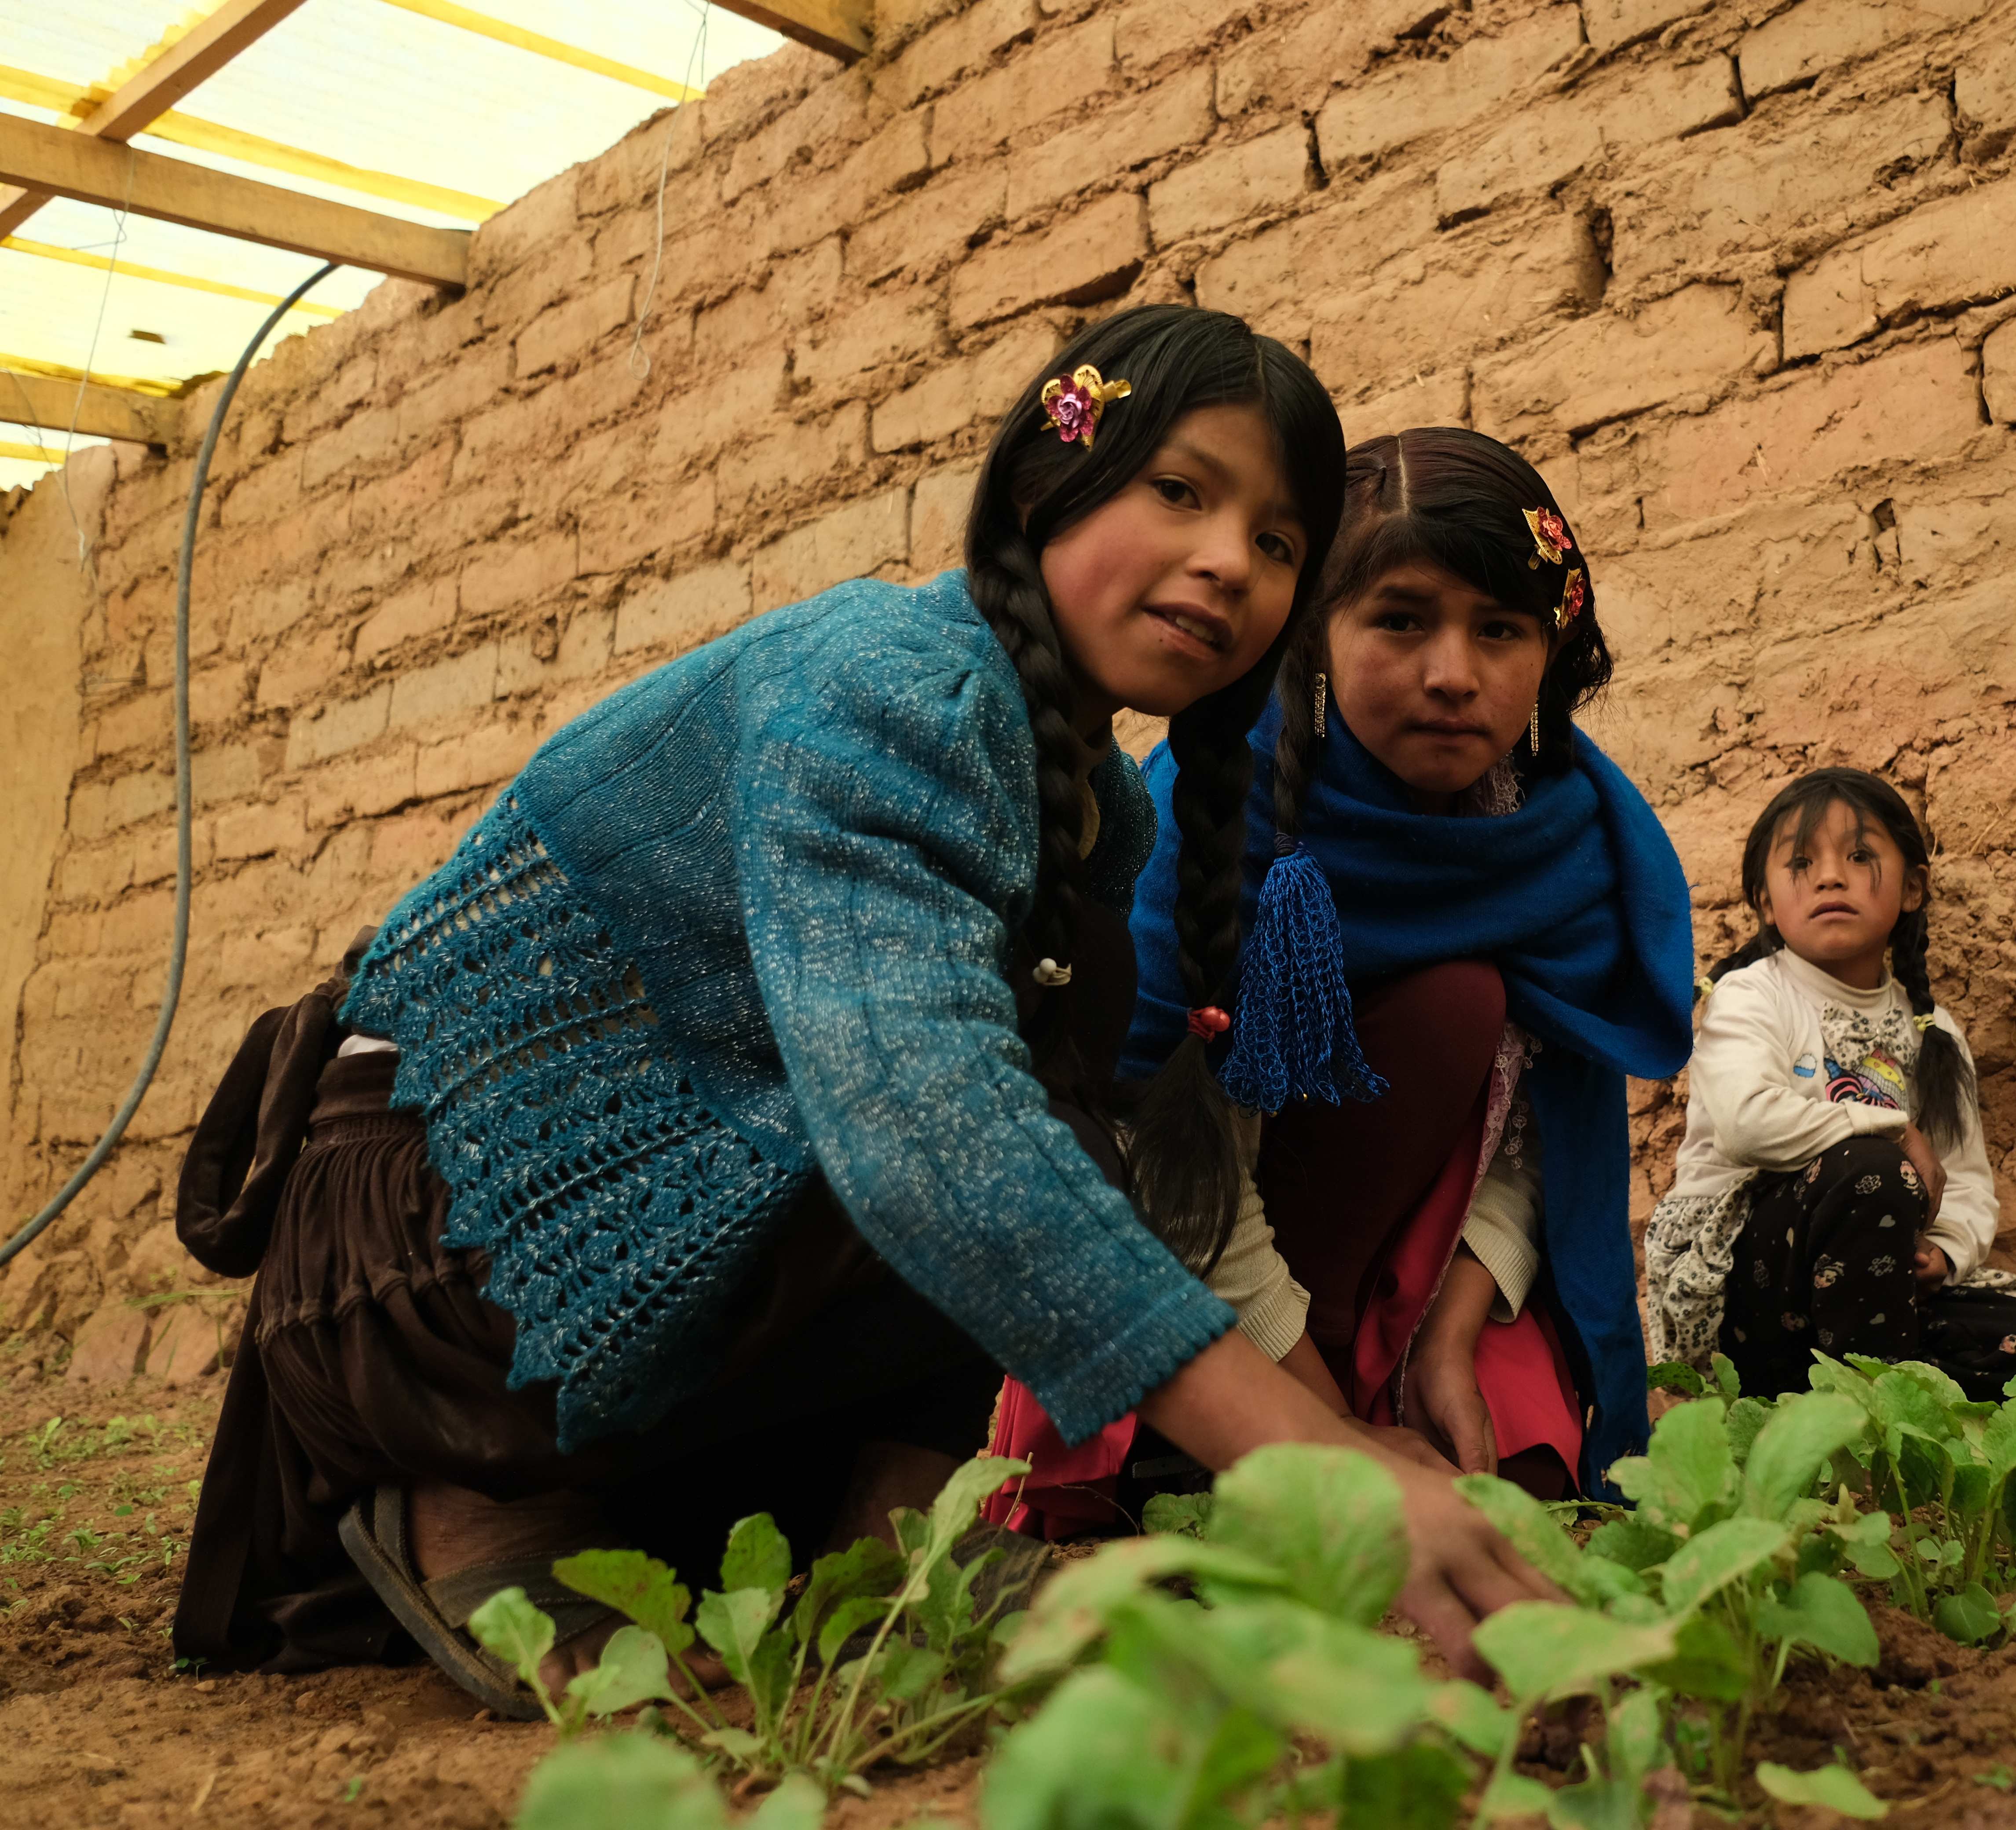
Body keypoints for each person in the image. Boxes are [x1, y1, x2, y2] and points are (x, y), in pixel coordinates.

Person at [169, 308, 1551, 1716]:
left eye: (1275, 541)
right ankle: (462, 1496)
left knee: (1058, 1127)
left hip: (670, 1216)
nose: (1226, 563)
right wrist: (1312, 1456)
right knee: (955, 1119)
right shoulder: (884, 684)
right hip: (449, 1240)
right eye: (1181, 491)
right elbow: (921, 1117)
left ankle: (887, 1544)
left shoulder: (1095, 802)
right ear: (1043, 486)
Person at [986, 427, 1697, 1531]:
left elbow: (1533, 1133)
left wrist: (1454, 1341)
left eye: (1502, 630)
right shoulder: (1214, 813)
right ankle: (1199, 1437)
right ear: (1315, 638)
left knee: (1523, 1492)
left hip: (1402, 1284)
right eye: (1400, 620)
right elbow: (1162, 1162)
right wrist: (1325, 1431)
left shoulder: (1559, 840)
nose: (1453, 675)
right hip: (1178, 1258)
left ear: (1551, 656)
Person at [1643, 768, 2016, 1400]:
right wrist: (1891, 1125)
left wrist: (1946, 1251)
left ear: (1911, 888)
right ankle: (1867, 1426)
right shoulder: (1749, 996)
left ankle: (1859, 1394)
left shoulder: (1934, 1034)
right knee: (1872, 1170)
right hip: (1752, 1296)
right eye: (1801, 863)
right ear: (1768, 903)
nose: (1830, 876)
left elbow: (1960, 1178)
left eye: (1859, 856)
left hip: (1876, 1298)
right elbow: (1747, 1126)